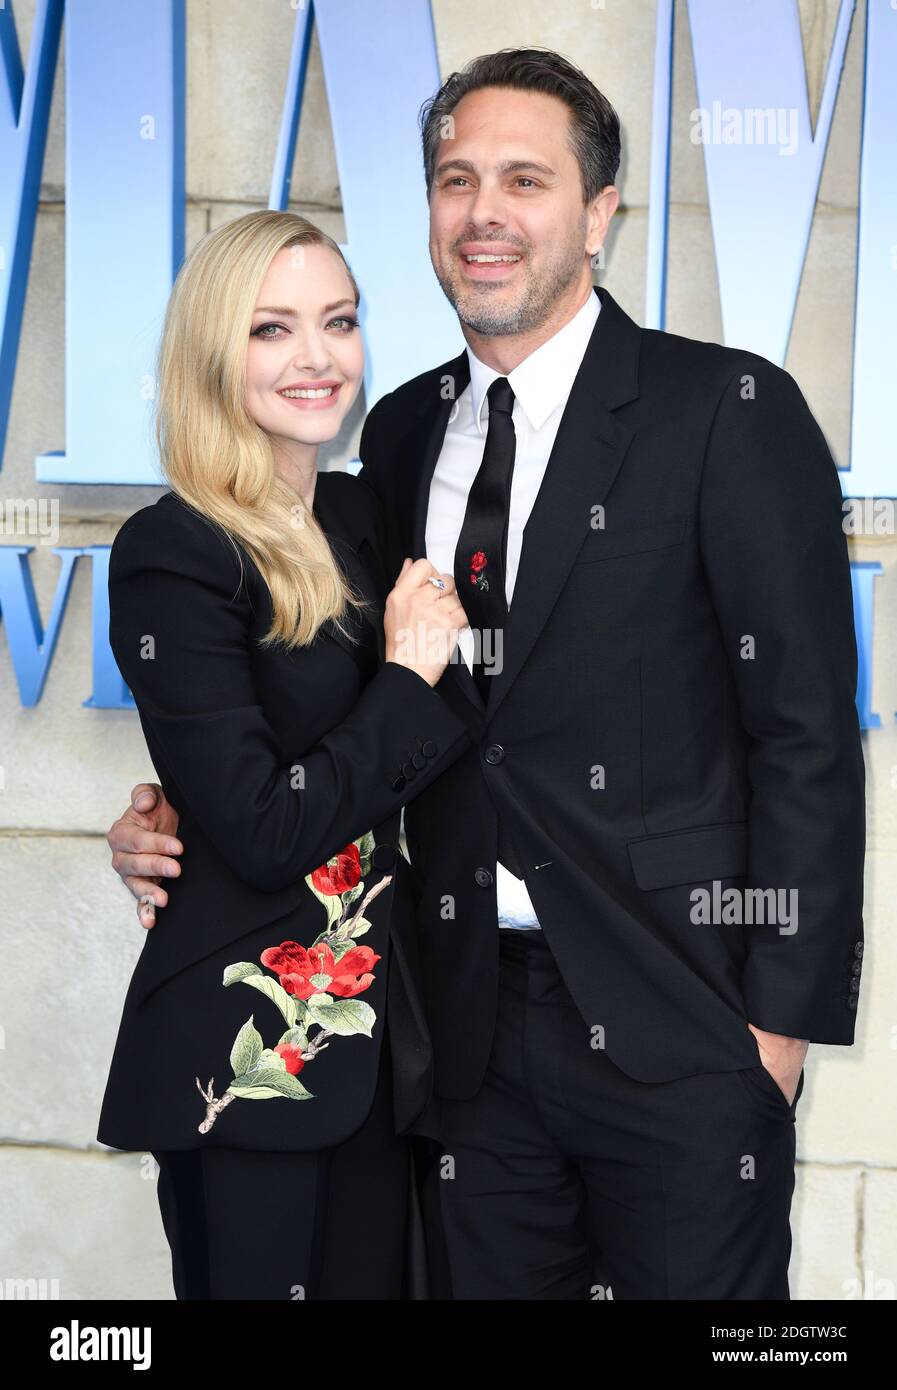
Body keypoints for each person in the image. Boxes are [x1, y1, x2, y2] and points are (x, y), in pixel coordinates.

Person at [107, 48, 866, 1299]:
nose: (483, 212)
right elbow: (310, 698)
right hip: (452, 1037)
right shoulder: (398, 436)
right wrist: (171, 814)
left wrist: (773, 1033)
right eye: (456, 179)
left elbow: (806, 737)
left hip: (681, 1027)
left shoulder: (727, 411)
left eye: (525, 178)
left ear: (600, 213)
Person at [96, 208, 474, 1300]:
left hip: (394, 1050)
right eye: (273, 328)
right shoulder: (175, 551)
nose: (317, 356)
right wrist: (405, 678)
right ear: (214, 354)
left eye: (338, 321)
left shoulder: (358, 516)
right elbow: (263, 827)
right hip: (255, 1054)